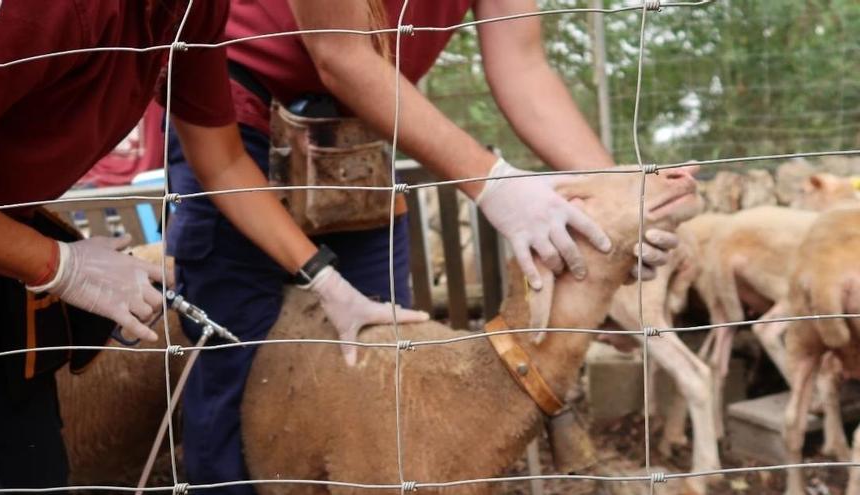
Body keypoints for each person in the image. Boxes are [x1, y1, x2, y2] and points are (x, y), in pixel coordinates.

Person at [165, 1, 679, 493]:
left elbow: (522, 63)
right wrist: (494, 183)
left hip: (358, 134)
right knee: (233, 357)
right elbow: (339, 53)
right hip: (235, 123)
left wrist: (617, 195)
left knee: (382, 371)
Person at [0, 0, 427, 488]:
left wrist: (327, 280)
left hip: (0, 252)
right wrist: (58, 264)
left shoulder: (194, 11)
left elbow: (223, 163)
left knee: (27, 469)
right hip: (6, 246)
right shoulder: (34, 12)